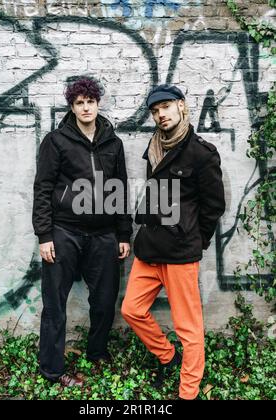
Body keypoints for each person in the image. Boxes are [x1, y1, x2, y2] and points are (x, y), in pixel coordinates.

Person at [121, 84, 225, 400]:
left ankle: (188, 392)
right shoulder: (155, 148)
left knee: (188, 329)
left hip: (181, 254)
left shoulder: (201, 154)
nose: (160, 115)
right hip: (150, 248)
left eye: (165, 107)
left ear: (181, 106)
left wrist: (195, 239)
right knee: (131, 310)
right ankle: (168, 357)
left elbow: (213, 206)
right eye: (155, 111)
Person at [32, 77, 132, 386]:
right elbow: (43, 188)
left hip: (103, 235)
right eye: (79, 103)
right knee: (54, 304)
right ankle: (52, 370)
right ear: (72, 107)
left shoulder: (113, 144)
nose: (85, 107)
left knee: (104, 301)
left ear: (98, 104)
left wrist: (123, 233)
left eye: (90, 101)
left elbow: (121, 189)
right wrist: (45, 235)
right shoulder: (56, 141)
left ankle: (97, 352)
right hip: (64, 233)